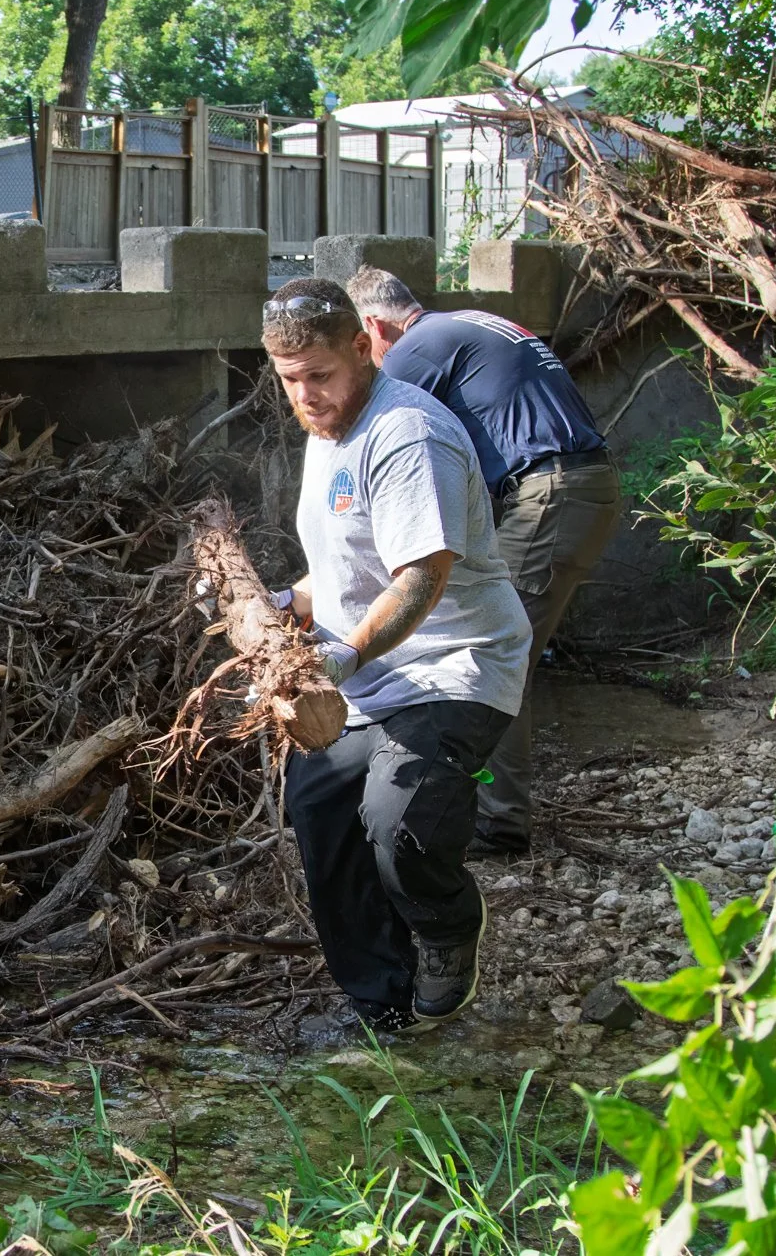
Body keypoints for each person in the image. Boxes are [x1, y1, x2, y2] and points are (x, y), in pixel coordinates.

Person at [264, 276, 531, 1032]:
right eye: (290, 381)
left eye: (320, 375)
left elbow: (422, 577)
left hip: (458, 664)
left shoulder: (407, 433)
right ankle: (383, 1004)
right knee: (318, 802)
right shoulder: (326, 438)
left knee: (398, 814)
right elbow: (347, 572)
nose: (307, 395)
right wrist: (276, 606)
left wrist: (342, 656)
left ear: (361, 348)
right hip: (376, 677)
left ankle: (449, 926)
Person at [344, 267, 621, 856]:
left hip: (549, 493)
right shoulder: (462, 324)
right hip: (573, 487)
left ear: (372, 326)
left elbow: (365, 423)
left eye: (358, 346)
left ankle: (498, 826)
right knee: (502, 646)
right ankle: (492, 809)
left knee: (496, 652)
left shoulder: (417, 346)